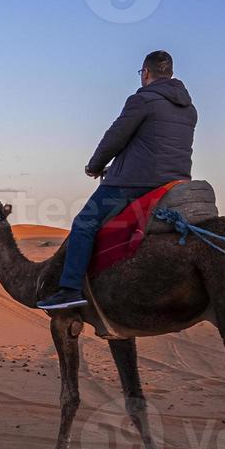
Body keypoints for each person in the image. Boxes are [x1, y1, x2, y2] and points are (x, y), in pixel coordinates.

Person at [37, 50, 198, 310]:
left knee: (84, 223)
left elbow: (116, 136)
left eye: (141, 73)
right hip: (176, 183)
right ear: (169, 74)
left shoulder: (142, 100)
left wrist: (95, 166)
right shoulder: (189, 109)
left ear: (146, 73)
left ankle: (70, 289)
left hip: (135, 183)